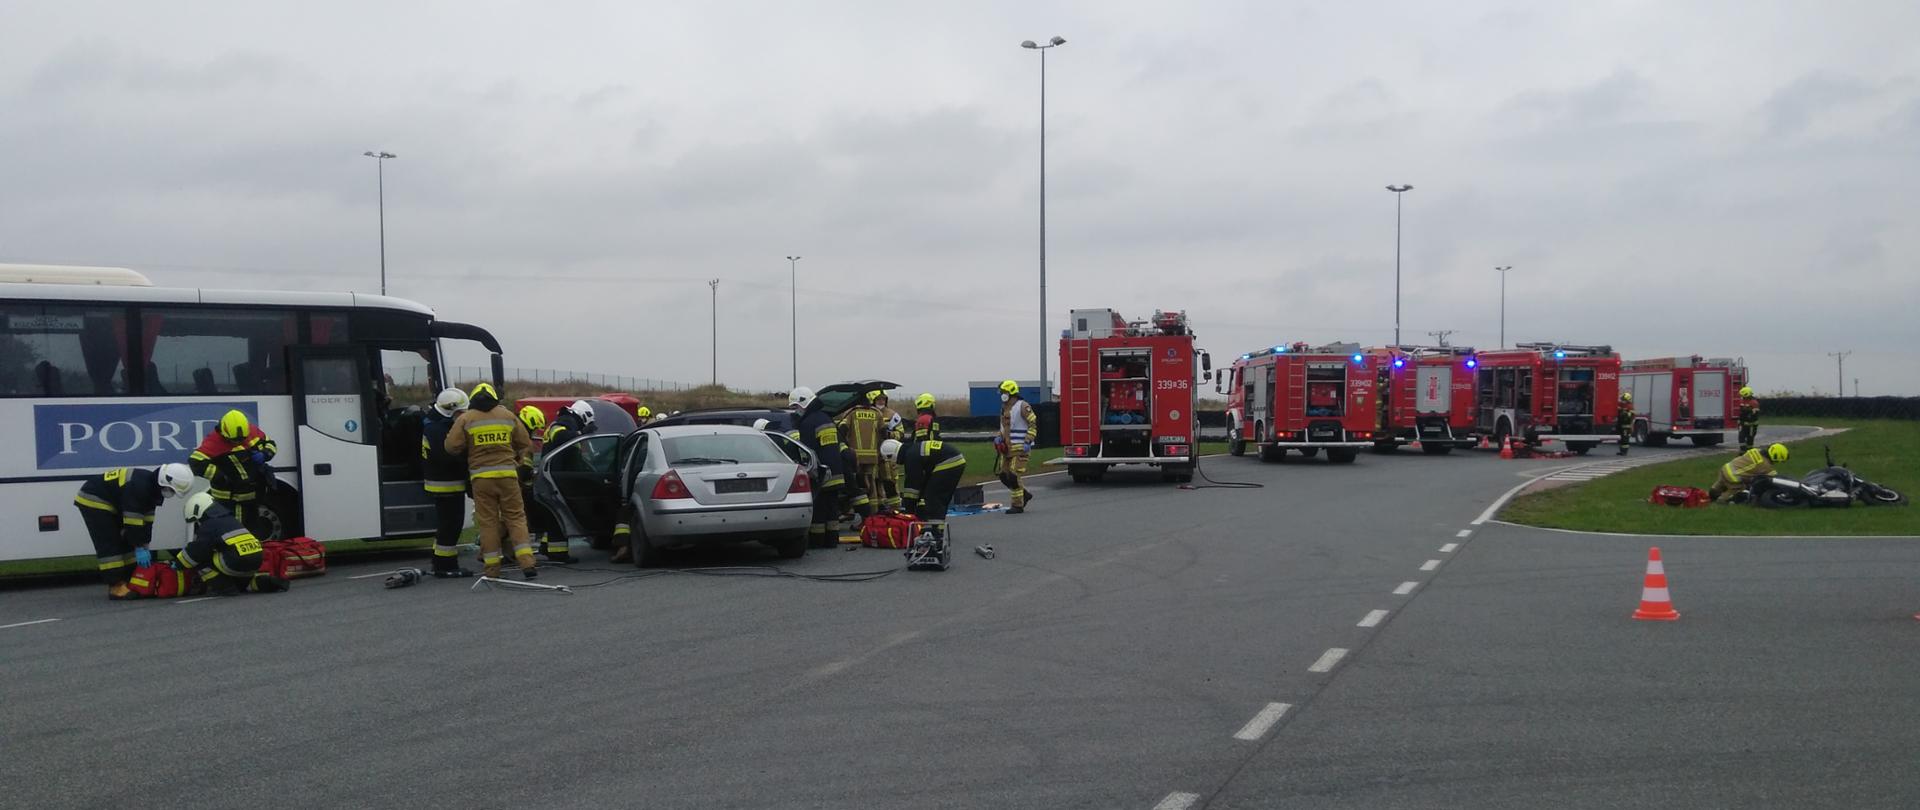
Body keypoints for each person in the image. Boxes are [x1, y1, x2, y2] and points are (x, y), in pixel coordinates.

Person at [446, 383, 538, 579]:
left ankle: (492, 569)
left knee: (488, 523)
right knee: (516, 518)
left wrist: (469, 449)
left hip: (481, 479)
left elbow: (451, 446)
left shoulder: (466, 418)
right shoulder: (507, 416)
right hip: (507, 477)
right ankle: (527, 563)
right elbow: (525, 443)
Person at [74, 463, 194, 599]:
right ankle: (116, 586)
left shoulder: (152, 489)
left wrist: (145, 545)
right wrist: (139, 547)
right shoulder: (140, 487)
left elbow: (147, 520)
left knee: (127, 541)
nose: (170, 493)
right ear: (164, 481)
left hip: (111, 501)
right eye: (171, 490)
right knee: (110, 542)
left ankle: (130, 579)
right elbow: (133, 523)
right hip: (94, 498)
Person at [177, 492, 288, 595]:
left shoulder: (209, 525)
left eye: (196, 520)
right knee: (244, 584)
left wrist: (178, 563)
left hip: (236, 561)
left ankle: (224, 587)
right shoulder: (231, 519)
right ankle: (262, 582)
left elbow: (197, 550)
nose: (198, 523)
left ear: (198, 511)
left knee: (201, 561)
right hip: (256, 560)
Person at [188, 409, 277, 533]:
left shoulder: (252, 431)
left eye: (242, 439)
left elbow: (270, 443)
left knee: (251, 532)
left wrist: (265, 454)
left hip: (252, 498)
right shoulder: (214, 442)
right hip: (231, 501)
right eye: (235, 440)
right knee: (236, 533)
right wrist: (220, 476)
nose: (239, 442)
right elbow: (195, 462)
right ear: (224, 432)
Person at [420, 388, 473, 577]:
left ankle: (439, 560)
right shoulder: (437, 429)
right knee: (451, 525)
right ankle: (446, 565)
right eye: (461, 412)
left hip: (442, 481)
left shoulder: (433, 424)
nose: (463, 416)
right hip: (446, 483)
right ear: (450, 410)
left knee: (447, 524)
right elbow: (448, 456)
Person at [789, 386, 848, 548]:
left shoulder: (808, 423)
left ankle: (817, 541)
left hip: (820, 474)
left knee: (819, 510)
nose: (795, 411)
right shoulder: (826, 418)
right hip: (836, 472)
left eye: (796, 406)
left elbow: (807, 452)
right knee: (832, 510)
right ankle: (832, 540)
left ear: (804, 402)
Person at [515, 405, 570, 564]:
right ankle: (522, 556)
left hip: (500, 481)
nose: (533, 433)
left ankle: (508, 552)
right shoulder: (523, 441)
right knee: (515, 520)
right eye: (533, 429)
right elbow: (524, 469)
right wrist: (530, 481)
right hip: (515, 487)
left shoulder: (511, 431)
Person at [838, 390, 885, 520]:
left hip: (855, 457)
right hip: (872, 457)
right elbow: (884, 433)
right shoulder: (877, 413)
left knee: (855, 484)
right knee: (872, 484)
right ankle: (873, 515)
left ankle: (851, 511)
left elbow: (842, 429)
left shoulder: (852, 413)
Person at [997, 380, 1038, 514]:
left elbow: (1033, 424)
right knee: (1004, 475)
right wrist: (999, 437)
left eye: (1004, 392)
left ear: (1011, 392)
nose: (1002, 395)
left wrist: (1028, 441)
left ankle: (1017, 505)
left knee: (1013, 475)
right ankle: (1024, 494)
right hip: (1007, 449)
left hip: (1020, 448)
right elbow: (1003, 427)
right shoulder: (1004, 408)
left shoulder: (1023, 406)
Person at [1709, 443, 1790, 502]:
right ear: (1776, 457)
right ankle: (1721, 501)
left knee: (1720, 485)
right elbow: (1774, 476)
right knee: (1737, 492)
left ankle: (1712, 494)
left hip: (1726, 467)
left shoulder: (1756, 450)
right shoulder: (1765, 464)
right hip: (1733, 476)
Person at [874, 394, 905, 511]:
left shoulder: (893, 415)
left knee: (890, 479)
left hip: (888, 454)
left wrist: (889, 434)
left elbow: (900, 433)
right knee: (875, 481)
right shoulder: (870, 414)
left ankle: (895, 507)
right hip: (873, 453)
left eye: (883, 399)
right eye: (878, 399)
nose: (881, 401)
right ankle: (879, 506)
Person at [1737, 386, 1762, 453]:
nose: (1742, 397)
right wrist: (1740, 420)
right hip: (1742, 423)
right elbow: (1741, 412)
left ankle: (1749, 451)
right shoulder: (1742, 401)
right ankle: (1742, 451)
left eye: (1743, 395)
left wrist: (1748, 411)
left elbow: (1754, 414)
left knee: (1750, 439)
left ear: (1746, 394)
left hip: (1751, 425)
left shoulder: (1754, 402)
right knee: (1741, 437)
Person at [1616, 391, 1634, 456]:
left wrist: (1624, 412)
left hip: (1626, 426)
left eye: (1624, 399)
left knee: (1625, 439)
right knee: (1622, 439)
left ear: (1627, 400)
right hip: (1622, 425)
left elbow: (1630, 416)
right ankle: (1621, 451)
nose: (1622, 400)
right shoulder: (1623, 405)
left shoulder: (1629, 407)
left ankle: (1624, 452)